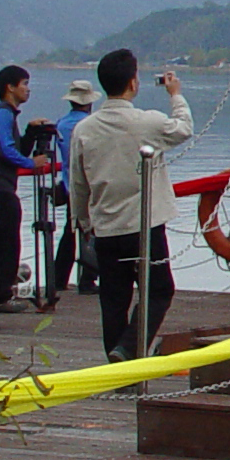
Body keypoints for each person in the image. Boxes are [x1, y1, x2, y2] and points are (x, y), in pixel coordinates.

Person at [66, 50, 194, 360]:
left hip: (106, 225)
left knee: (113, 299)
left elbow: (78, 182)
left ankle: (117, 364)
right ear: (133, 83)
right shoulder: (147, 121)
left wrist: (82, 222)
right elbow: (183, 128)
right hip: (145, 224)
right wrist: (175, 95)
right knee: (159, 290)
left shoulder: (84, 129)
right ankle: (128, 348)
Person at [0, 64, 47, 312]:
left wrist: (30, 133)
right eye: (24, 84)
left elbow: (16, 148)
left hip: (2, 185)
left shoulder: (8, 115)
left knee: (2, 240)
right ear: (10, 87)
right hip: (0, 186)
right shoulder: (3, 113)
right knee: (5, 242)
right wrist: (32, 163)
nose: (28, 89)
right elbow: (6, 151)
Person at [49, 78, 98, 297]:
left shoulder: (61, 124)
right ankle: (88, 278)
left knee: (70, 232)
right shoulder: (91, 124)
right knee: (93, 232)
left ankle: (59, 278)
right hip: (90, 184)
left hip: (70, 184)